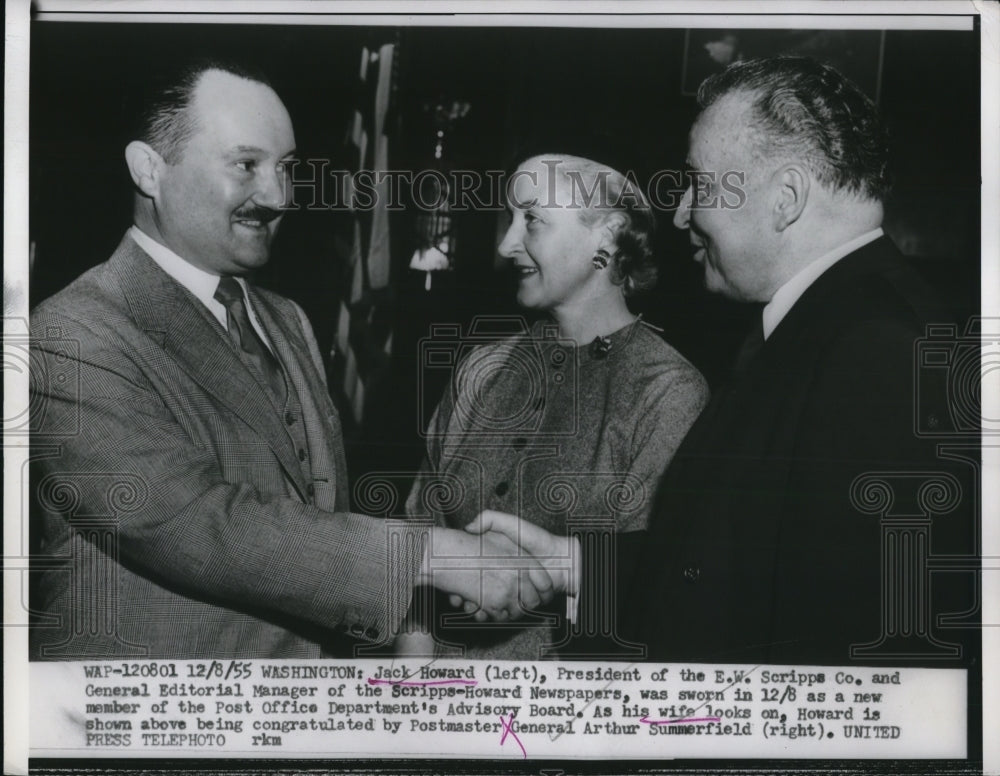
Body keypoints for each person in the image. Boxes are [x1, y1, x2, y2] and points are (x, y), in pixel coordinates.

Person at [29, 60, 553, 660]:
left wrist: (413, 616)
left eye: (287, 169)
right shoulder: (72, 333)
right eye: (246, 165)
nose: (278, 196)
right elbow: (196, 525)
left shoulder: (287, 320)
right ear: (150, 169)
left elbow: (318, 524)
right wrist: (430, 556)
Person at [477, 57, 975, 666]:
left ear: (785, 198)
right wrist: (569, 563)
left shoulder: (880, 353)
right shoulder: (830, 323)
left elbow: (845, 658)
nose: (683, 212)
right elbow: (735, 565)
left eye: (700, 184)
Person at [400, 152, 709, 659]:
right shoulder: (483, 368)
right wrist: (408, 690)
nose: (506, 244)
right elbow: (417, 540)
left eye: (533, 221)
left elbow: (662, 594)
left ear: (606, 236)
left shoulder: (667, 392)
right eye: (509, 219)